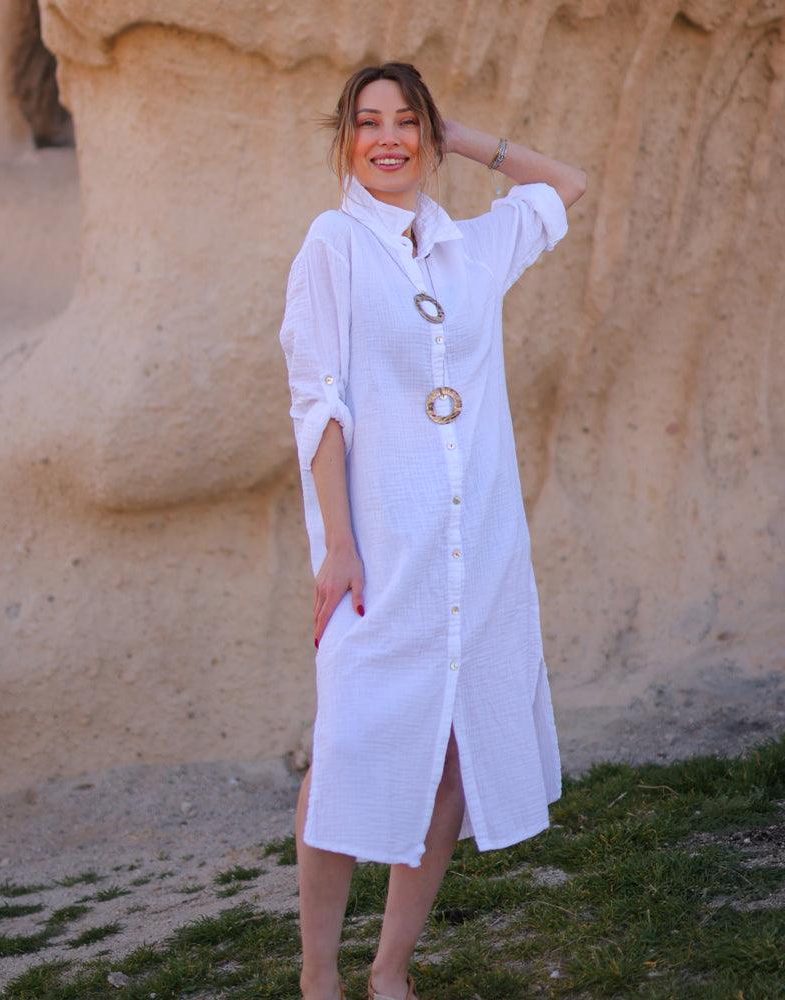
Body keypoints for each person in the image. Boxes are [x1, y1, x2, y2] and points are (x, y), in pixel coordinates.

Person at [278, 61, 586, 1000]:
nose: (389, 139)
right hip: (384, 554)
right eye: (369, 123)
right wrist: (338, 542)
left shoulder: (470, 249)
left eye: (407, 123)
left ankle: (390, 969)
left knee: (453, 754)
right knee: (348, 751)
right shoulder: (332, 244)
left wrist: (465, 139)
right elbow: (318, 403)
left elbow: (563, 185)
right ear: (345, 139)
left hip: (479, 552)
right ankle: (318, 973)